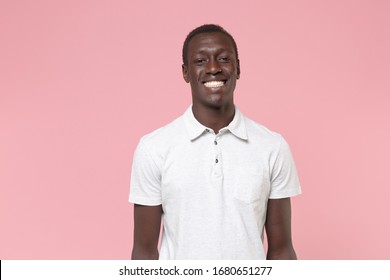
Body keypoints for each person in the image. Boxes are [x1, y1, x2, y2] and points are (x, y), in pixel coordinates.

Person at [129, 24, 301, 260]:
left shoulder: (272, 147)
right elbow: (144, 252)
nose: (213, 68)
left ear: (238, 68)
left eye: (223, 58)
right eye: (200, 61)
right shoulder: (154, 148)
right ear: (185, 72)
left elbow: (282, 250)